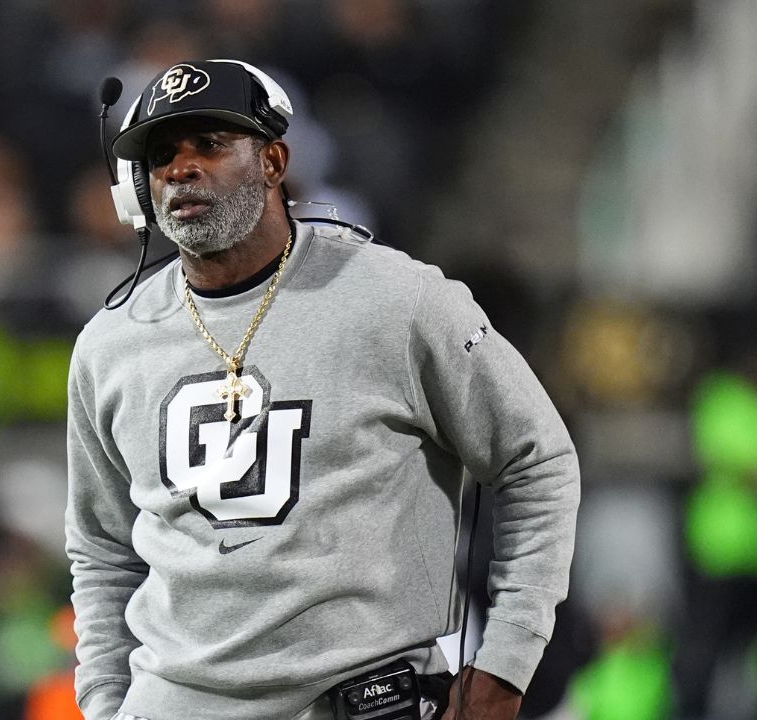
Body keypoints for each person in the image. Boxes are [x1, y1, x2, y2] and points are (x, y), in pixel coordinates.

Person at [65, 60, 580, 720]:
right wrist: (105, 708)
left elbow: (539, 463)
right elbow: (103, 552)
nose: (181, 169)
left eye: (211, 145)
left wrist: (505, 667)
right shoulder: (111, 343)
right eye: (161, 155)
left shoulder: (398, 299)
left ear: (275, 162)